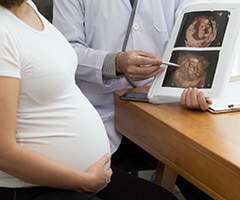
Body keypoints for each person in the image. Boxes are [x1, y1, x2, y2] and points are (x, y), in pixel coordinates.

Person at [0, 1, 179, 200]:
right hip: (39, 184)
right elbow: (3, 152)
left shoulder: (28, 8)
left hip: (90, 169)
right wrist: (82, 181)